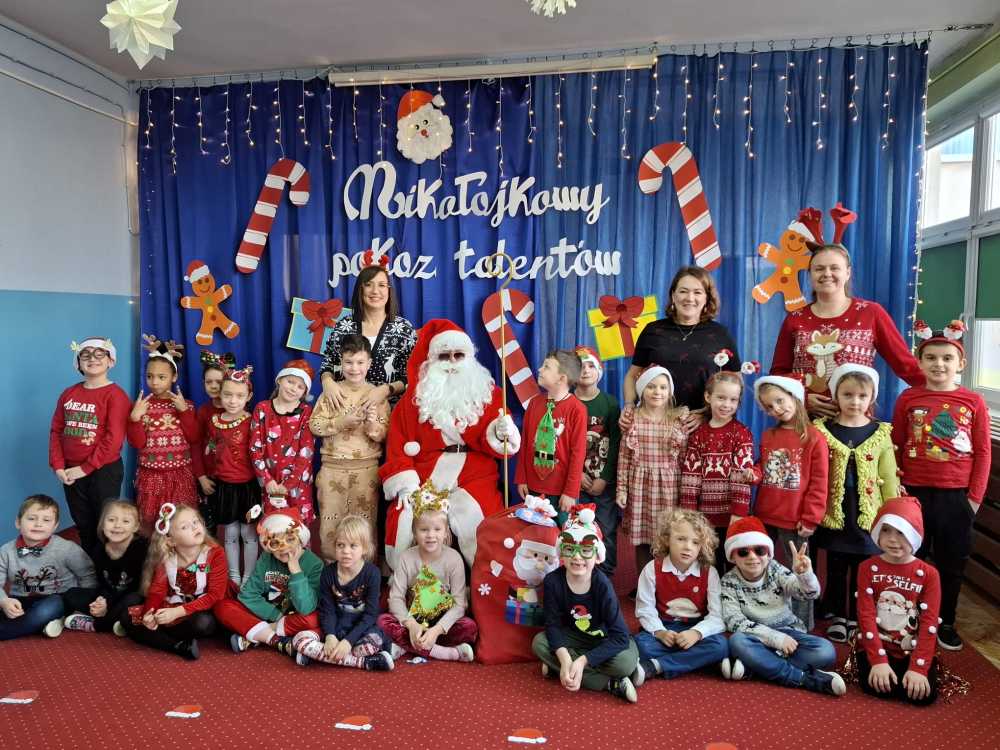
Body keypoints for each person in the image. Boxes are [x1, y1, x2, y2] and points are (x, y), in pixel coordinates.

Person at [380, 319, 519, 569]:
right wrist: (407, 486)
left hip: (474, 475)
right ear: (432, 360)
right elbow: (397, 447)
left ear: (469, 356)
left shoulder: (490, 394)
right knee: (405, 516)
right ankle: (405, 578)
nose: (453, 362)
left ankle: (484, 582)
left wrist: (501, 434)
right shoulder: (412, 401)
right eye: (445, 356)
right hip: (424, 475)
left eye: (459, 355)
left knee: (477, 516)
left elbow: (500, 444)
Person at [891, 321, 991, 652]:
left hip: (956, 498)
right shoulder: (908, 398)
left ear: (960, 363)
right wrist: (896, 488)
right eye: (931, 358)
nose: (939, 364)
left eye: (947, 358)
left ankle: (945, 620)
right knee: (910, 558)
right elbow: (896, 444)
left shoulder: (973, 401)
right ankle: (906, 615)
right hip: (913, 495)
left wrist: (973, 499)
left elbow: (983, 452)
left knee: (951, 563)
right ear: (920, 363)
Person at [770, 243, 923, 418]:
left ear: (847, 273)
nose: (827, 273)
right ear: (810, 274)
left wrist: (942, 393)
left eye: (834, 268)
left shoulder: (871, 313)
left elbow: (906, 365)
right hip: (804, 423)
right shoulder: (795, 319)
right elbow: (778, 374)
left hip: (855, 423)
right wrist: (801, 398)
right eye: (819, 269)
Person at [812, 364, 898, 642]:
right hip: (836, 511)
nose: (855, 402)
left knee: (863, 567)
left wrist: (893, 514)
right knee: (836, 565)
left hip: (866, 513)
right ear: (836, 396)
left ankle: (857, 615)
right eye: (848, 395)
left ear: (872, 397)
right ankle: (838, 614)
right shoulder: (823, 430)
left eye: (862, 396)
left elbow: (888, 475)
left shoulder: (879, 433)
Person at [720, 517, 845, 696]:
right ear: (732, 556)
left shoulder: (776, 570)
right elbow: (734, 621)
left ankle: (757, 666)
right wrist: (774, 638)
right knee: (737, 641)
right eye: (743, 552)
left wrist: (804, 575)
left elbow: (809, 594)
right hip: (756, 637)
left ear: (768, 554)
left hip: (789, 633)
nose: (752, 557)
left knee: (826, 652)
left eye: (759, 550)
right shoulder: (728, 581)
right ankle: (802, 678)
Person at [531, 506, 640, 703]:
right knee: (539, 643)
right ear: (561, 553)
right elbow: (552, 625)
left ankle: (563, 667)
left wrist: (582, 661)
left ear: (597, 556)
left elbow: (621, 636)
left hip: (602, 638)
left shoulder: (602, 585)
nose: (577, 557)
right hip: (572, 637)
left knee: (623, 664)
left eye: (586, 550)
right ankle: (611, 684)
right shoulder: (553, 581)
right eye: (570, 549)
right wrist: (565, 659)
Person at [622, 267, 741, 433]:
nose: (690, 298)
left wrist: (707, 414)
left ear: (707, 298)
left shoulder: (720, 334)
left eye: (697, 292)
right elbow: (632, 375)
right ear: (673, 295)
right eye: (683, 291)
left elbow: (736, 382)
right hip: (656, 427)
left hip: (704, 427)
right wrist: (629, 405)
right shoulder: (652, 330)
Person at [752, 375, 828, 630]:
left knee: (800, 571)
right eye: (769, 406)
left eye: (780, 401)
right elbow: (763, 468)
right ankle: (764, 613)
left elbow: (819, 482)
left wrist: (811, 518)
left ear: (794, 397)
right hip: (765, 514)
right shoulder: (769, 435)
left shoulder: (814, 437)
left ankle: (802, 623)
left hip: (795, 520)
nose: (776, 409)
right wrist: (752, 474)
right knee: (762, 568)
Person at [376, 483, 478, 662]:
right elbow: (396, 598)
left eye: (437, 529)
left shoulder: (454, 559)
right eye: (424, 530)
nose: (431, 535)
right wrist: (411, 625)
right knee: (382, 622)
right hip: (412, 621)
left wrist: (437, 630)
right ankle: (446, 653)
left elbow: (459, 604)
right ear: (415, 533)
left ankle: (406, 647)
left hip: (442, 623)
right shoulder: (407, 557)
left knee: (469, 627)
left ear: (446, 532)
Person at [855, 496, 941, 706]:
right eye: (886, 530)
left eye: (901, 532)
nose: (892, 539)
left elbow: (929, 623)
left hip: (910, 648)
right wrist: (878, 661)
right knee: (880, 688)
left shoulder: (929, 574)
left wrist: (918, 667)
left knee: (923, 695)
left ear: (915, 533)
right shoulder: (867, 568)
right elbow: (866, 616)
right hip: (876, 646)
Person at [310, 335, 389, 561]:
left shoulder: (376, 396)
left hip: (366, 471)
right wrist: (340, 423)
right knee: (330, 523)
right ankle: (331, 570)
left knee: (364, 524)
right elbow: (314, 425)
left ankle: (364, 572)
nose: (354, 368)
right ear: (341, 363)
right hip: (332, 469)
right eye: (349, 362)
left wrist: (372, 425)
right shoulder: (332, 392)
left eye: (360, 362)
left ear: (369, 363)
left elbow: (385, 434)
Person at [49, 337, 130, 555]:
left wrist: (86, 468)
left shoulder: (116, 395)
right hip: (71, 471)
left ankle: (107, 568)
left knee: (105, 525)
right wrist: (58, 465)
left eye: (99, 354)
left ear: (111, 361)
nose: (92, 359)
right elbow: (56, 431)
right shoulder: (68, 394)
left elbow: (113, 439)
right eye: (85, 355)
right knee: (83, 523)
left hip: (103, 470)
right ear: (78, 363)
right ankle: (88, 567)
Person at [633, 509, 729, 683]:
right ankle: (700, 661)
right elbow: (645, 609)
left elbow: (717, 617)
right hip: (664, 627)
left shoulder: (710, 573)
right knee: (641, 646)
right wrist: (660, 632)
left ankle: (657, 666)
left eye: (695, 542)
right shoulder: (651, 569)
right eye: (681, 539)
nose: (687, 547)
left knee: (720, 645)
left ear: (702, 546)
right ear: (666, 539)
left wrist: (697, 633)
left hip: (696, 627)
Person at [122, 504, 228, 660]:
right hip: (173, 605)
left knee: (204, 623)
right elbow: (157, 591)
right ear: (171, 541)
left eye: (196, 522)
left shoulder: (215, 554)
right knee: (127, 617)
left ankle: (161, 638)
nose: (194, 527)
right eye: (185, 527)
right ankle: (177, 646)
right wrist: (149, 614)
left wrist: (177, 612)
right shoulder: (167, 557)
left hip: (202, 608)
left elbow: (215, 596)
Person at [215, 508, 324, 658]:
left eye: (290, 540)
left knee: (314, 620)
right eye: (275, 543)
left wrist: (296, 571)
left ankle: (258, 635)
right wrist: (276, 616)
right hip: (266, 614)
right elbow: (248, 595)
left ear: (300, 539)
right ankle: (277, 640)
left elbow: (306, 608)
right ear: (268, 546)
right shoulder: (267, 559)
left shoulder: (315, 564)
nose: (284, 548)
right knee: (223, 607)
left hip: (295, 618)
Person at [292, 515, 393, 670]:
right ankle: (364, 662)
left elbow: (370, 615)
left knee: (372, 643)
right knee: (299, 640)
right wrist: (330, 636)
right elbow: (327, 610)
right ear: (335, 547)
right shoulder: (328, 573)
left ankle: (319, 656)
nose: (346, 551)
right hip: (335, 627)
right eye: (340, 545)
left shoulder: (372, 573)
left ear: (365, 548)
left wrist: (348, 641)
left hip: (362, 629)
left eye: (353, 546)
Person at [679, 371, 756, 570]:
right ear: (708, 397)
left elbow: (742, 478)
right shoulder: (698, 435)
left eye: (733, 400)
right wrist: (690, 515)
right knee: (708, 566)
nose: (726, 404)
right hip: (704, 518)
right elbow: (691, 478)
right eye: (721, 397)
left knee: (733, 565)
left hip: (732, 516)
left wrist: (738, 514)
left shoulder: (741, 433)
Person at [617, 365, 689, 575]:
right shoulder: (633, 419)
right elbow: (624, 457)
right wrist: (621, 489)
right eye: (651, 387)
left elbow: (685, 459)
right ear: (641, 390)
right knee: (642, 539)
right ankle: (644, 582)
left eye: (663, 387)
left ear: (670, 391)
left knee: (669, 536)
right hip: (640, 488)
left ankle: (667, 582)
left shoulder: (677, 419)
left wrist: (687, 492)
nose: (657, 392)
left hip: (669, 489)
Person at [320, 263, 416, 411]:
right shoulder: (343, 326)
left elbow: (411, 375)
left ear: (389, 291)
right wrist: (327, 382)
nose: (375, 291)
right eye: (368, 285)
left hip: (388, 411)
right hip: (344, 409)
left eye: (382, 285)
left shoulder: (404, 329)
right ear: (360, 289)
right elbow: (328, 364)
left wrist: (386, 390)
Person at [0, 495, 96, 640]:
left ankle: (9, 630)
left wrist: (83, 606)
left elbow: (88, 576)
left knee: (44, 611)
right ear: (18, 523)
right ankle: (45, 624)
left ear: (55, 526)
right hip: (19, 599)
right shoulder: (6, 551)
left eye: (46, 520)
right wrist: (4, 601)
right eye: (31, 518)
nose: (38, 524)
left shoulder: (67, 548)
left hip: (56, 598)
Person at [127, 338, 199, 531]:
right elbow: (137, 443)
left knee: (181, 522)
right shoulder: (141, 406)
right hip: (151, 474)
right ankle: (155, 550)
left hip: (180, 474)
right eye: (149, 376)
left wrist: (184, 411)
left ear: (174, 377)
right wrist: (134, 419)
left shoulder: (186, 405)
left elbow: (194, 437)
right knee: (152, 522)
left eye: (161, 377)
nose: (154, 382)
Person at [515, 349, 588, 526]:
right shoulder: (534, 404)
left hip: (561, 491)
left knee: (561, 534)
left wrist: (570, 492)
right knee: (534, 533)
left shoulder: (577, 410)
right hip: (533, 487)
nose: (540, 369)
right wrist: (522, 478)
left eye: (546, 367)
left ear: (561, 378)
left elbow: (578, 454)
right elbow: (525, 444)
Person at [202, 366, 261, 585]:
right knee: (230, 533)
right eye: (227, 395)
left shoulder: (252, 422)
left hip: (247, 486)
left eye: (239, 396)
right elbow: (212, 443)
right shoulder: (214, 420)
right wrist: (210, 449)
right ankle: (234, 575)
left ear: (249, 397)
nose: (233, 401)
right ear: (220, 394)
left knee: (248, 533)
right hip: (224, 486)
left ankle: (249, 576)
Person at [63, 500, 147, 635]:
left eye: (126, 521)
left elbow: (140, 588)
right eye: (111, 520)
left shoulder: (142, 548)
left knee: (133, 600)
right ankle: (114, 621)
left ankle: (97, 625)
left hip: (134, 597)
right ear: (102, 524)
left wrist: (109, 603)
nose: (117, 525)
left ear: (136, 527)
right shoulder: (99, 550)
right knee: (71, 595)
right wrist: (102, 601)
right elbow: (104, 584)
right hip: (112, 596)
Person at [573, 346, 621, 577]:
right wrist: (576, 475)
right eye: (580, 366)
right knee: (577, 528)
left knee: (606, 528)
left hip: (603, 482)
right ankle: (579, 572)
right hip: (575, 482)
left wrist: (604, 478)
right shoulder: (566, 403)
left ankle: (605, 574)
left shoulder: (610, 404)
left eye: (591, 365)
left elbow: (616, 444)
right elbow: (561, 446)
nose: (585, 370)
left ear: (599, 370)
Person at [249, 359, 316, 524]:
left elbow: (306, 453)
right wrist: (267, 480)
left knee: (298, 529)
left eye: (300, 387)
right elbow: (254, 449)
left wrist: (288, 484)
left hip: (298, 486)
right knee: (272, 527)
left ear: (305, 392)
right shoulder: (262, 409)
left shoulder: (306, 412)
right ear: (279, 380)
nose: (293, 388)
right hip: (271, 484)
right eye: (290, 381)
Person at [192, 351, 233, 515]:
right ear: (203, 383)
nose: (214, 386)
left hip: (234, 478)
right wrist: (201, 477)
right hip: (210, 478)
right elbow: (196, 445)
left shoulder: (238, 410)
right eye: (209, 382)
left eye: (219, 382)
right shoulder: (203, 411)